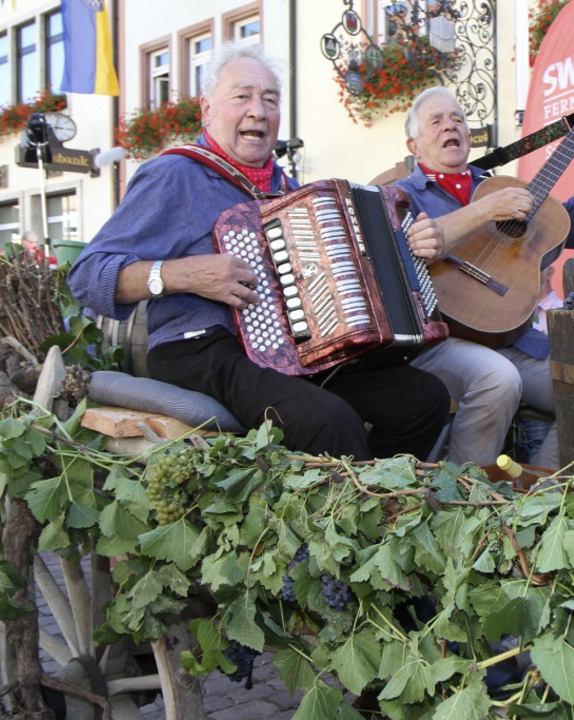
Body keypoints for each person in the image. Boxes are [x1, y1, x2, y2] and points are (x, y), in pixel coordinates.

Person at [68, 43, 449, 461]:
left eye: (270, 99)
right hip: (201, 347)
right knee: (327, 419)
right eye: (242, 96)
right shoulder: (175, 175)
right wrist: (184, 275)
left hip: (290, 352)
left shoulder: (289, 193)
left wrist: (405, 248)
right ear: (207, 108)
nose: (258, 110)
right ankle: (338, 513)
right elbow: (87, 276)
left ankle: (375, 499)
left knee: (422, 398)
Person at [395, 86, 574, 470]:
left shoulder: (498, 184)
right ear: (414, 144)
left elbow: (573, 223)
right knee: (499, 378)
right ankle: (462, 494)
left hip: (509, 335)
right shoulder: (399, 196)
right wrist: (484, 210)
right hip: (438, 338)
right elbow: (405, 249)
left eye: (458, 119)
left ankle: (536, 493)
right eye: (437, 120)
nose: (451, 126)